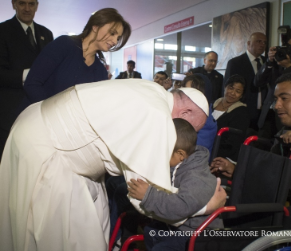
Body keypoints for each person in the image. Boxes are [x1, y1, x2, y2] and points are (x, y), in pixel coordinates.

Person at [0, 79, 209, 251]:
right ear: (185, 113)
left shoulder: (154, 91)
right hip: (51, 150)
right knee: (65, 239)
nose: (190, 136)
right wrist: (207, 206)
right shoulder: (158, 116)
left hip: (46, 133)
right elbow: (143, 195)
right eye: (194, 129)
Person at [211, 72, 291, 220]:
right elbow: (271, 175)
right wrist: (236, 170)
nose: (276, 105)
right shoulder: (284, 135)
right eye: (276, 99)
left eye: (284, 98)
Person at [128, 118, 226, 251]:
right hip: (179, 227)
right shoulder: (178, 163)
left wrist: (148, 195)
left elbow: (182, 206)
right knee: (150, 232)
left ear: (180, 154)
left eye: (162, 152)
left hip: (197, 234)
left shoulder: (197, 176)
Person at [21, 8, 131, 109]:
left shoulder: (100, 72)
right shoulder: (64, 45)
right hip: (35, 120)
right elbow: (33, 83)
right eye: (112, 33)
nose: (115, 41)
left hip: (67, 128)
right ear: (95, 26)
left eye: (118, 38)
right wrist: (53, 114)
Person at [0, 0, 53, 158]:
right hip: (9, 112)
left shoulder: (46, 34)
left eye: (32, 4)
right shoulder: (2, 31)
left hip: (39, 111)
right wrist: (27, 75)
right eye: (22, 3)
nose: (27, 8)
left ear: (37, 6)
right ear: (14, 4)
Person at [224, 32, 267, 132]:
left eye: (264, 42)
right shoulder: (235, 63)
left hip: (264, 113)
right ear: (248, 43)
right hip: (243, 111)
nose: (262, 45)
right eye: (258, 41)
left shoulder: (267, 62)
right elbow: (229, 88)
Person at [211, 74, 250, 162]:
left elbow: (232, 144)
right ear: (225, 87)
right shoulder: (211, 104)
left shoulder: (241, 112)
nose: (232, 93)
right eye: (231, 88)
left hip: (220, 157)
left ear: (241, 95)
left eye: (238, 91)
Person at [181, 74, 217, 157]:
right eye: (185, 91)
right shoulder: (183, 111)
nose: (186, 96)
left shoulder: (207, 123)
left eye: (192, 92)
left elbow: (189, 153)